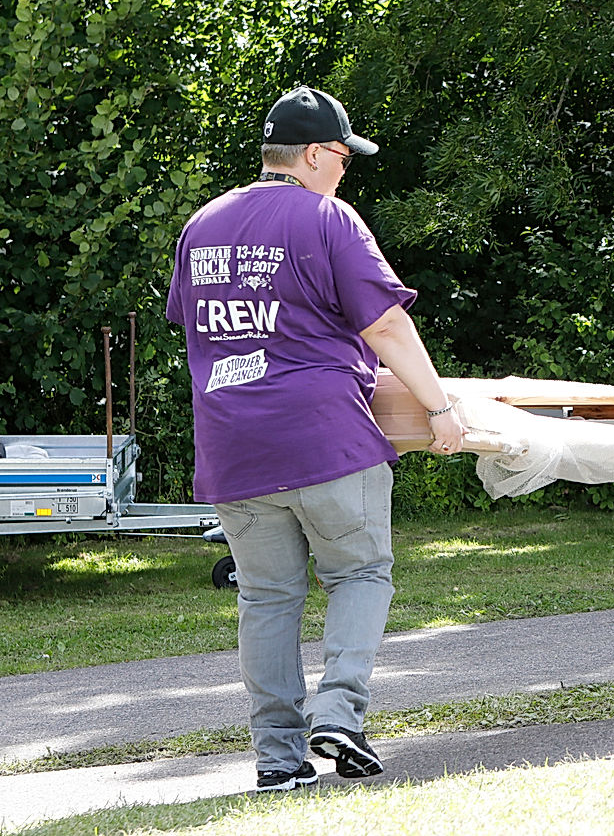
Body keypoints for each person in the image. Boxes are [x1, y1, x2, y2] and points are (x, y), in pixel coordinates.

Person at [166, 86, 463, 792]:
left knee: (266, 600)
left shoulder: (203, 223)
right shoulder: (329, 217)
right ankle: (339, 711)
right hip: (325, 437)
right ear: (313, 155)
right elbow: (385, 326)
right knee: (359, 572)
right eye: (343, 156)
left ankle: (278, 758)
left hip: (233, 446)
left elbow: (199, 328)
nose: (346, 170)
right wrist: (440, 407)